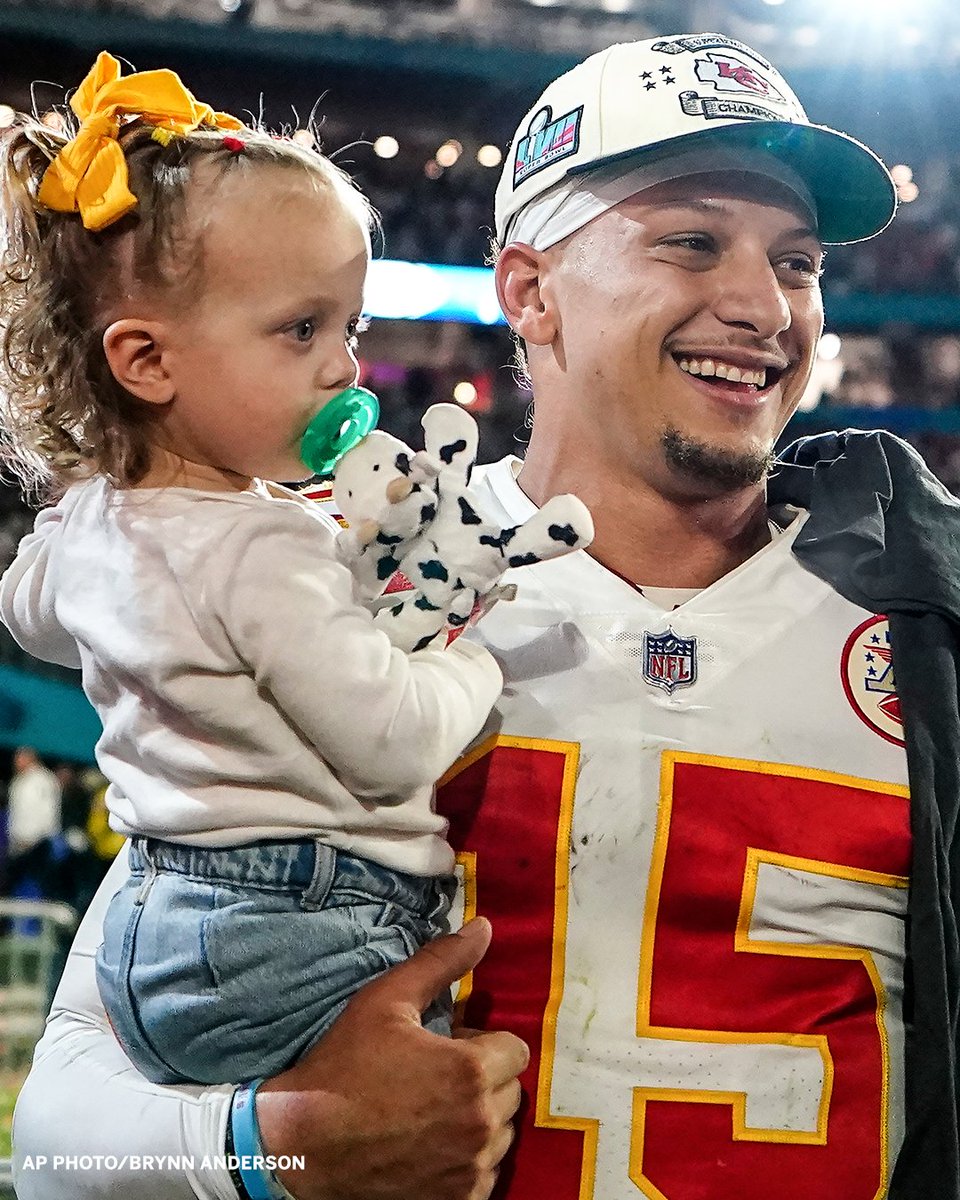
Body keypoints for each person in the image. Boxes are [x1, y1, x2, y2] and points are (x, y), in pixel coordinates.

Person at [11, 30, 960, 1200]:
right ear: (529, 290)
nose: (764, 306)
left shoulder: (921, 626)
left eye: (800, 261)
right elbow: (54, 1122)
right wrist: (277, 1148)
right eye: (693, 242)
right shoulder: (333, 574)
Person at [0, 50, 511, 1099]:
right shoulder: (258, 549)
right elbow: (394, 743)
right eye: (301, 330)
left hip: (152, 930)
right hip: (304, 931)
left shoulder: (94, 526)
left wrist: (93, 500)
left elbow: (31, 615)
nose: (345, 367)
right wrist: (476, 655)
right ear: (146, 362)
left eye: (351, 327)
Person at [4, 745, 62, 893]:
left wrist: (35, 838)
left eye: (20, 758)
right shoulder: (20, 781)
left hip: (37, 844)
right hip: (19, 845)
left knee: (35, 885)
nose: (16, 762)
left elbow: (47, 812)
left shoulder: (42, 780)